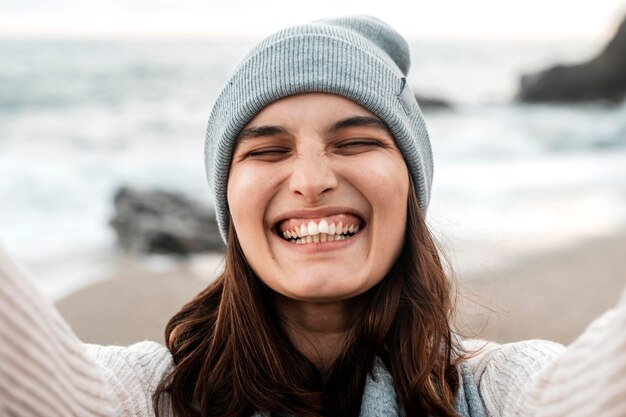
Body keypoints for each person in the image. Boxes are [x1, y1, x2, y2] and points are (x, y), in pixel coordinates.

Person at [0, 15, 625, 417]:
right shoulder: (152, 395)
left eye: (356, 142)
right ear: (228, 201)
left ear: (411, 183)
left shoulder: (491, 391)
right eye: (268, 151)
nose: (312, 181)